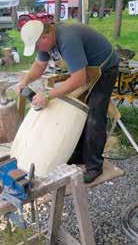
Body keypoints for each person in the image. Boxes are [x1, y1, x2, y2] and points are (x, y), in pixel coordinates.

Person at [17, 20, 119, 183]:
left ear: (44, 37)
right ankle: (79, 154)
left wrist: (49, 96)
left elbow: (78, 78)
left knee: (95, 115)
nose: (38, 51)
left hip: (105, 68)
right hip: (88, 69)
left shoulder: (67, 39)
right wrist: (25, 81)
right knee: (77, 112)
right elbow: (39, 65)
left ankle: (94, 166)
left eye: (37, 47)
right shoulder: (46, 41)